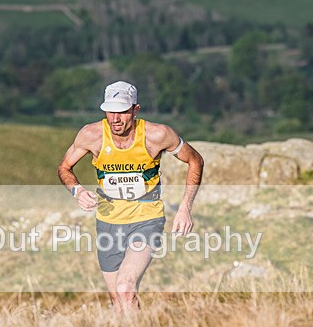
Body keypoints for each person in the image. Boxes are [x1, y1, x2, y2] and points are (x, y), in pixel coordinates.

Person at [57, 81, 204, 313]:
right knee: (118, 299)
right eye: (110, 111)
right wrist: (77, 191)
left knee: (125, 287)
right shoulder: (91, 135)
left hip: (146, 219)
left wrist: (186, 208)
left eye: (122, 111)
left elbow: (195, 160)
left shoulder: (157, 135)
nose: (115, 118)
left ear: (135, 110)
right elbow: (64, 167)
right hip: (108, 223)